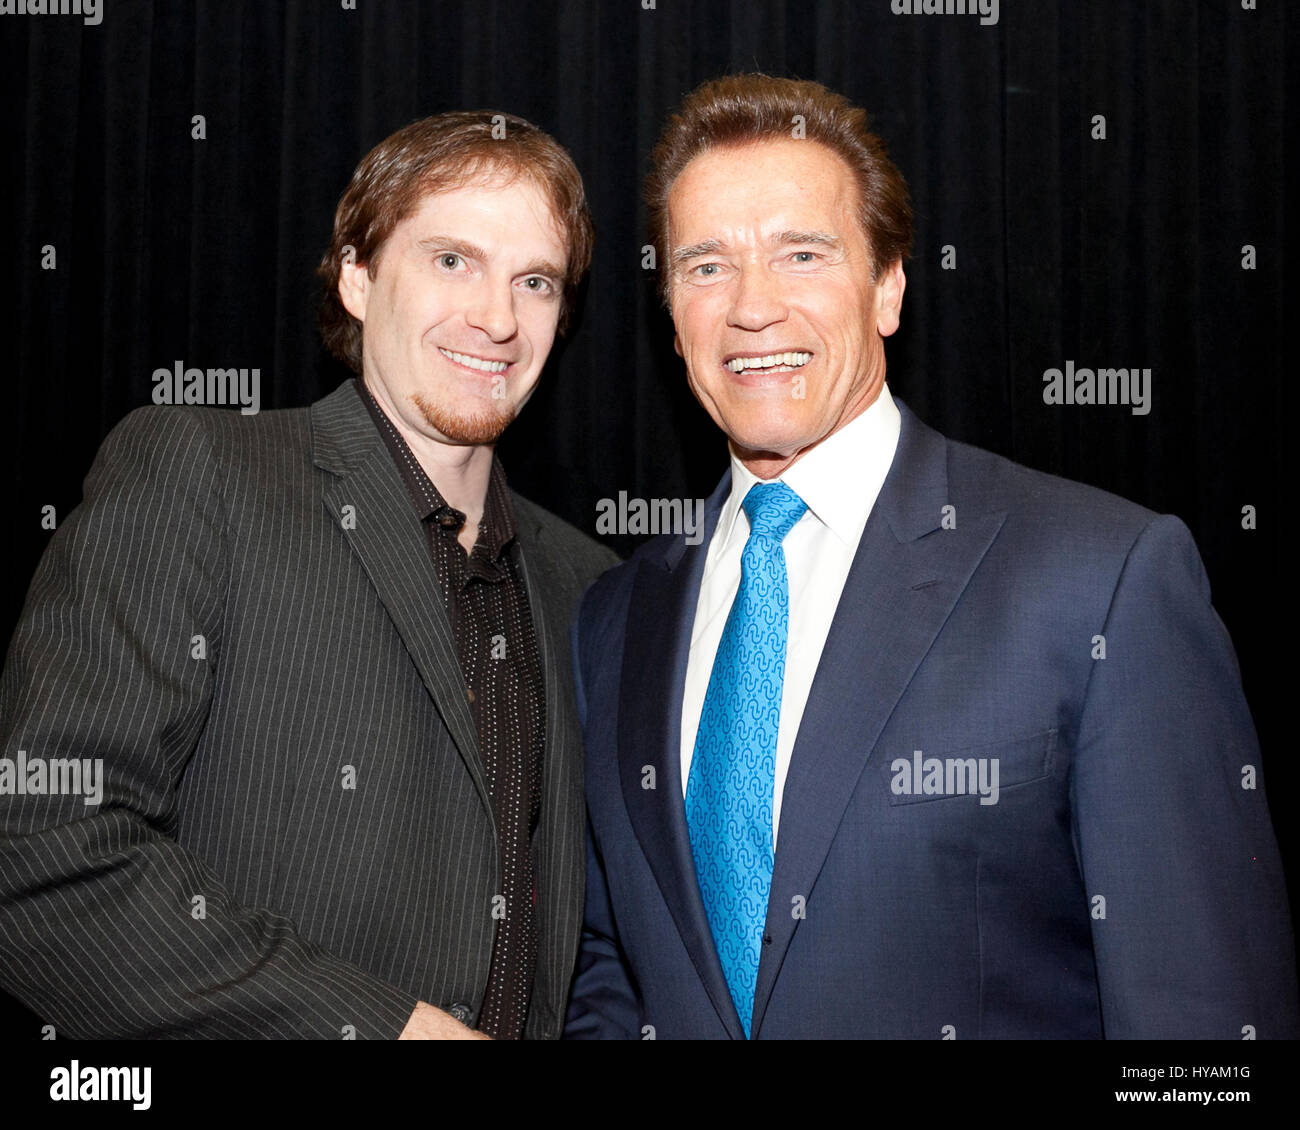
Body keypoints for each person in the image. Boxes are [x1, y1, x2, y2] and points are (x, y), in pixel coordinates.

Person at [564, 74, 1298, 1039]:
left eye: (802, 253)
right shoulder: (614, 619)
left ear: (888, 288)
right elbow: (615, 967)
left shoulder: (1101, 580)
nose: (752, 307)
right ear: (672, 318)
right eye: (706, 266)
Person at [0, 110, 617, 1040]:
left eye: (534, 281)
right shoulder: (199, 472)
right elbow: (39, 849)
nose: (496, 317)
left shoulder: (586, 583)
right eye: (452, 260)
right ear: (360, 276)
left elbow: (599, 938)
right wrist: (378, 1029)